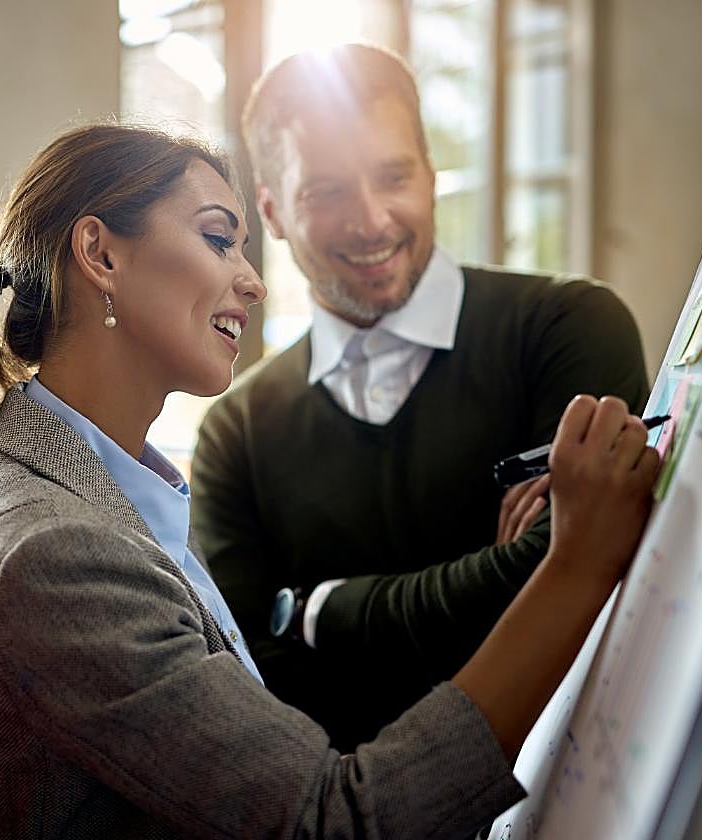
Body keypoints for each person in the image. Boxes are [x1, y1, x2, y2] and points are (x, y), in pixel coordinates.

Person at [0, 122, 660, 838]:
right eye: (218, 239)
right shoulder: (53, 550)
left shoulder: (106, 502)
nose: (252, 282)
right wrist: (577, 562)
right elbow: (338, 822)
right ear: (101, 254)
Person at [189, 42, 651, 750]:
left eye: (393, 176)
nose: (372, 220)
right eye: (327, 192)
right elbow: (259, 696)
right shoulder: (234, 434)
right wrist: (510, 579)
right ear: (273, 212)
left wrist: (323, 613)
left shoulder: (568, 328)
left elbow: (599, 576)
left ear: (431, 176)